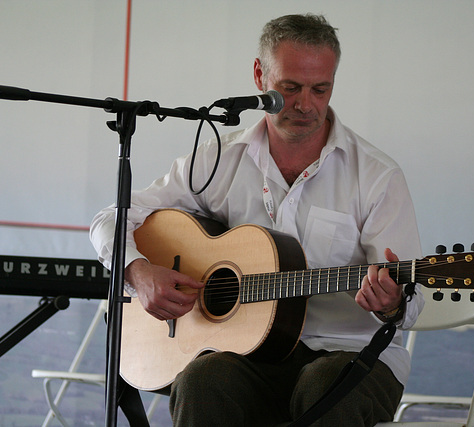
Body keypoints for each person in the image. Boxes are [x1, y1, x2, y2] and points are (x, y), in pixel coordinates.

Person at [90, 13, 424, 426]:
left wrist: (392, 304)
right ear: (258, 75)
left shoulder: (376, 177)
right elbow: (111, 218)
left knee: (325, 386)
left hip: (351, 354)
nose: (306, 104)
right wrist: (138, 271)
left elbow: (412, 303)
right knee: (202, 380)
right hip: (248, 356)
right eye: (290, 87)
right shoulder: (217, 159)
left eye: (321, 89)